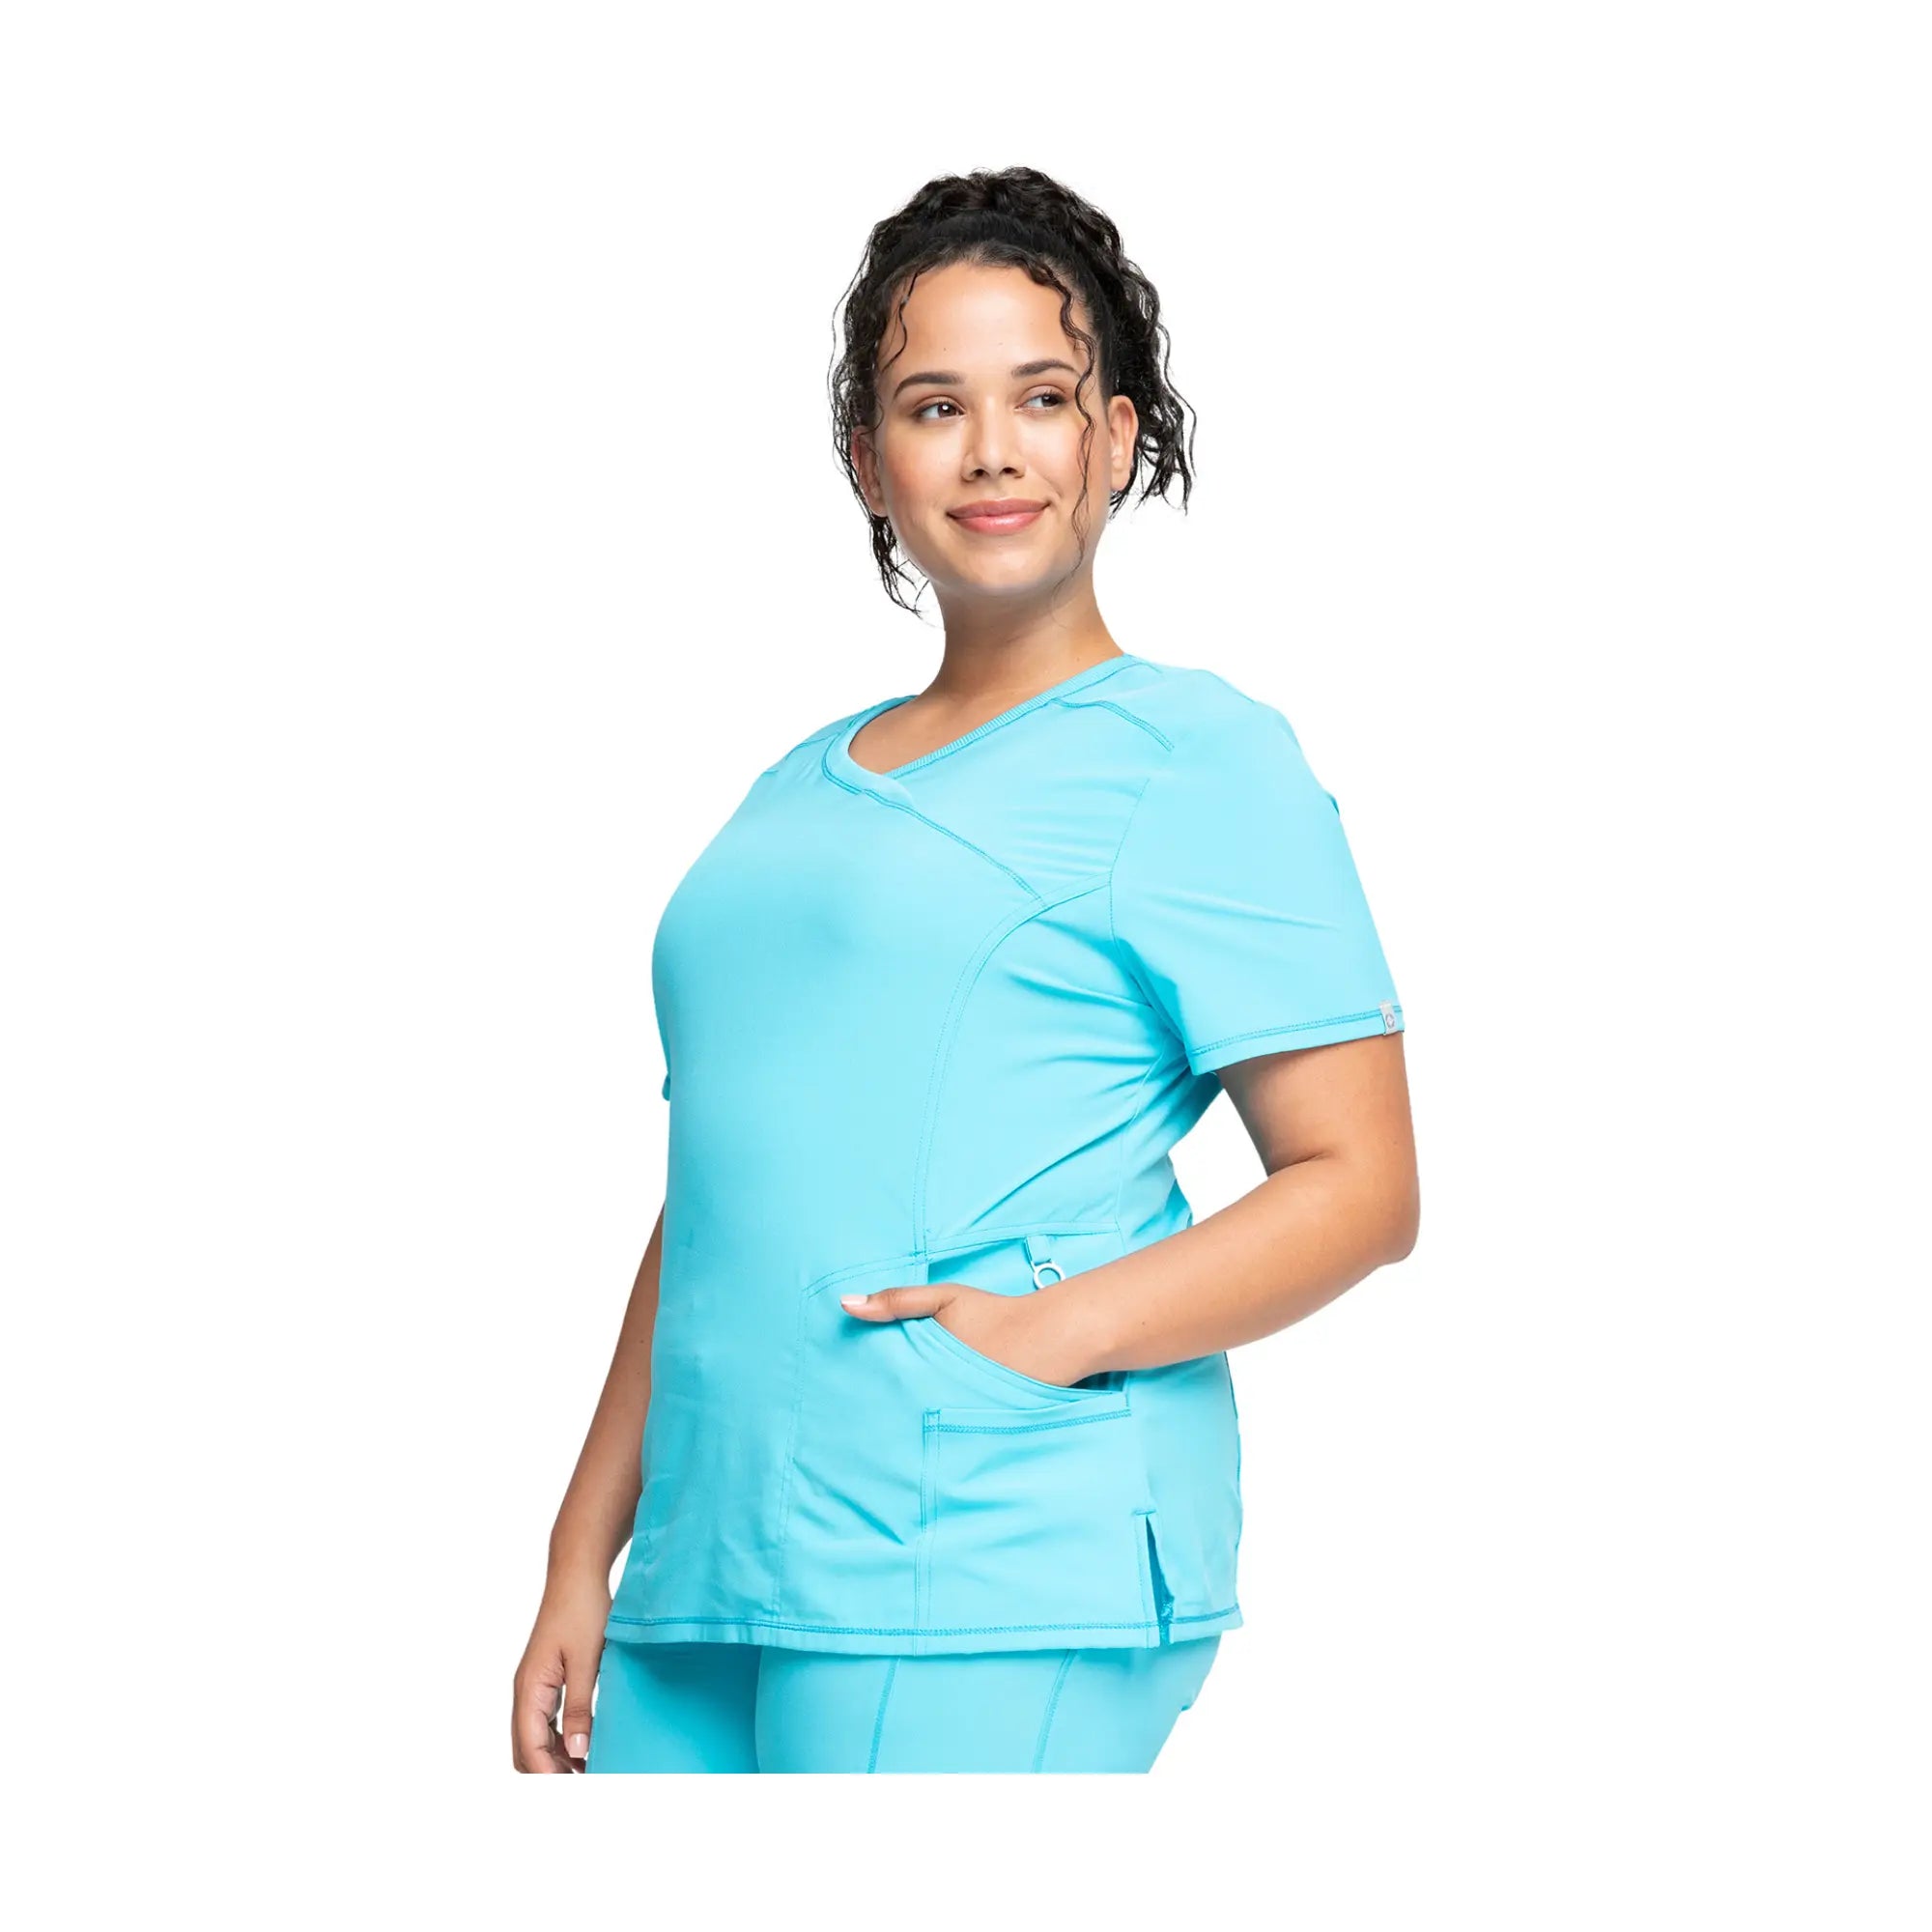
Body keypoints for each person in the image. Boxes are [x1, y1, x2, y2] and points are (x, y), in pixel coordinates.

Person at [511, 165, 1420, 1775]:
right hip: (709, 1569)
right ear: (871, 461)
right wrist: (584, 1548)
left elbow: (1361, 1185)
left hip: (989, 1543)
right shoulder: (789, 788)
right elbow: (722, 1189)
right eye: (936, 406)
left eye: (1043, 398)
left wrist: (1048, 1332)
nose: (993, 449)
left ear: (1117, 439)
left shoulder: (1196, 758)